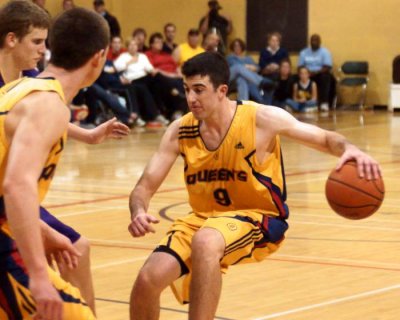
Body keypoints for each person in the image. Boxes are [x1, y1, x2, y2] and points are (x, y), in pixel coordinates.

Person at [127, 52, 381, 320]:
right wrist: (138, 210)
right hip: (203, 220)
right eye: (187, 90)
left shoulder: (260, 119)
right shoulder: (180, 130)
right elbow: (144, 187)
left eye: (199, 90)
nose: (191, 98)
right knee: (147, 280)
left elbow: (326, 138)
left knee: (206, 240)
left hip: (259, 217)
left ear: (222, 90)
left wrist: (350, 149)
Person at [0, 1, 130, 314]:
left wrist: (86, 134)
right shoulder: (46, 102)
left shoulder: (22, 89)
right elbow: (17, 184)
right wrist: (41, 275)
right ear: (99, 57)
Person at [227, 38, 270, 103]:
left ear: (242, 47)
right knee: (238, 68)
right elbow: (236, 67)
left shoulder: (248, 58)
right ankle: (260, 82)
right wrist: (248, 66)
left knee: (242, 79)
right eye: (235, 46)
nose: (237, 48)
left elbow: (257, 68)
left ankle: (244, 104)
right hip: (232, 80)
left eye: (239, 46)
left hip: (245, 80)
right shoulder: (230, 57)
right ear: (233, 47)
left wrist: (254, 68)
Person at [298, 34, 333, 111]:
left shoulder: (325, 52)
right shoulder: (304, 52)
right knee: (294, 77)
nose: (314, 42)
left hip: (320, 73)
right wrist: (306, 72)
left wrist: (316, 72)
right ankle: (298, 102)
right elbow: (300, 66)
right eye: (312, 40)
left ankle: (324, 103)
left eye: (316, 40)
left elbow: (327, 67)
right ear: (310, 42)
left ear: (320, 42)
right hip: (307, 73)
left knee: (326, 77)